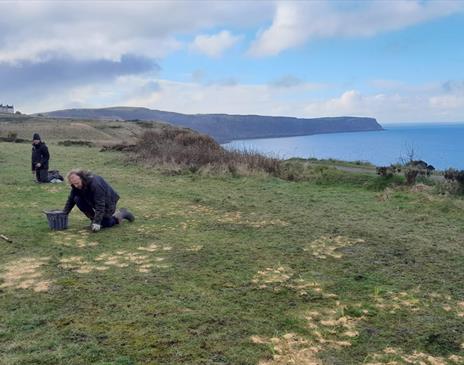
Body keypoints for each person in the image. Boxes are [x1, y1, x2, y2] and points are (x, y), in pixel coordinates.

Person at [62, 169, 134, 232]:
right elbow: (71, 200)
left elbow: (100, 205)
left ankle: (122, 214)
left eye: (77, 183)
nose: (76, 186)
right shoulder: (76, 186)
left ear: (82, 178)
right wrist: (64, 214)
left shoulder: (95, 184)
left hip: (108, 202)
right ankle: (94, 219)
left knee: (106, 223)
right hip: (94, 200)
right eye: (74, 184)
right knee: (77, 199)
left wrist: (97, 223)